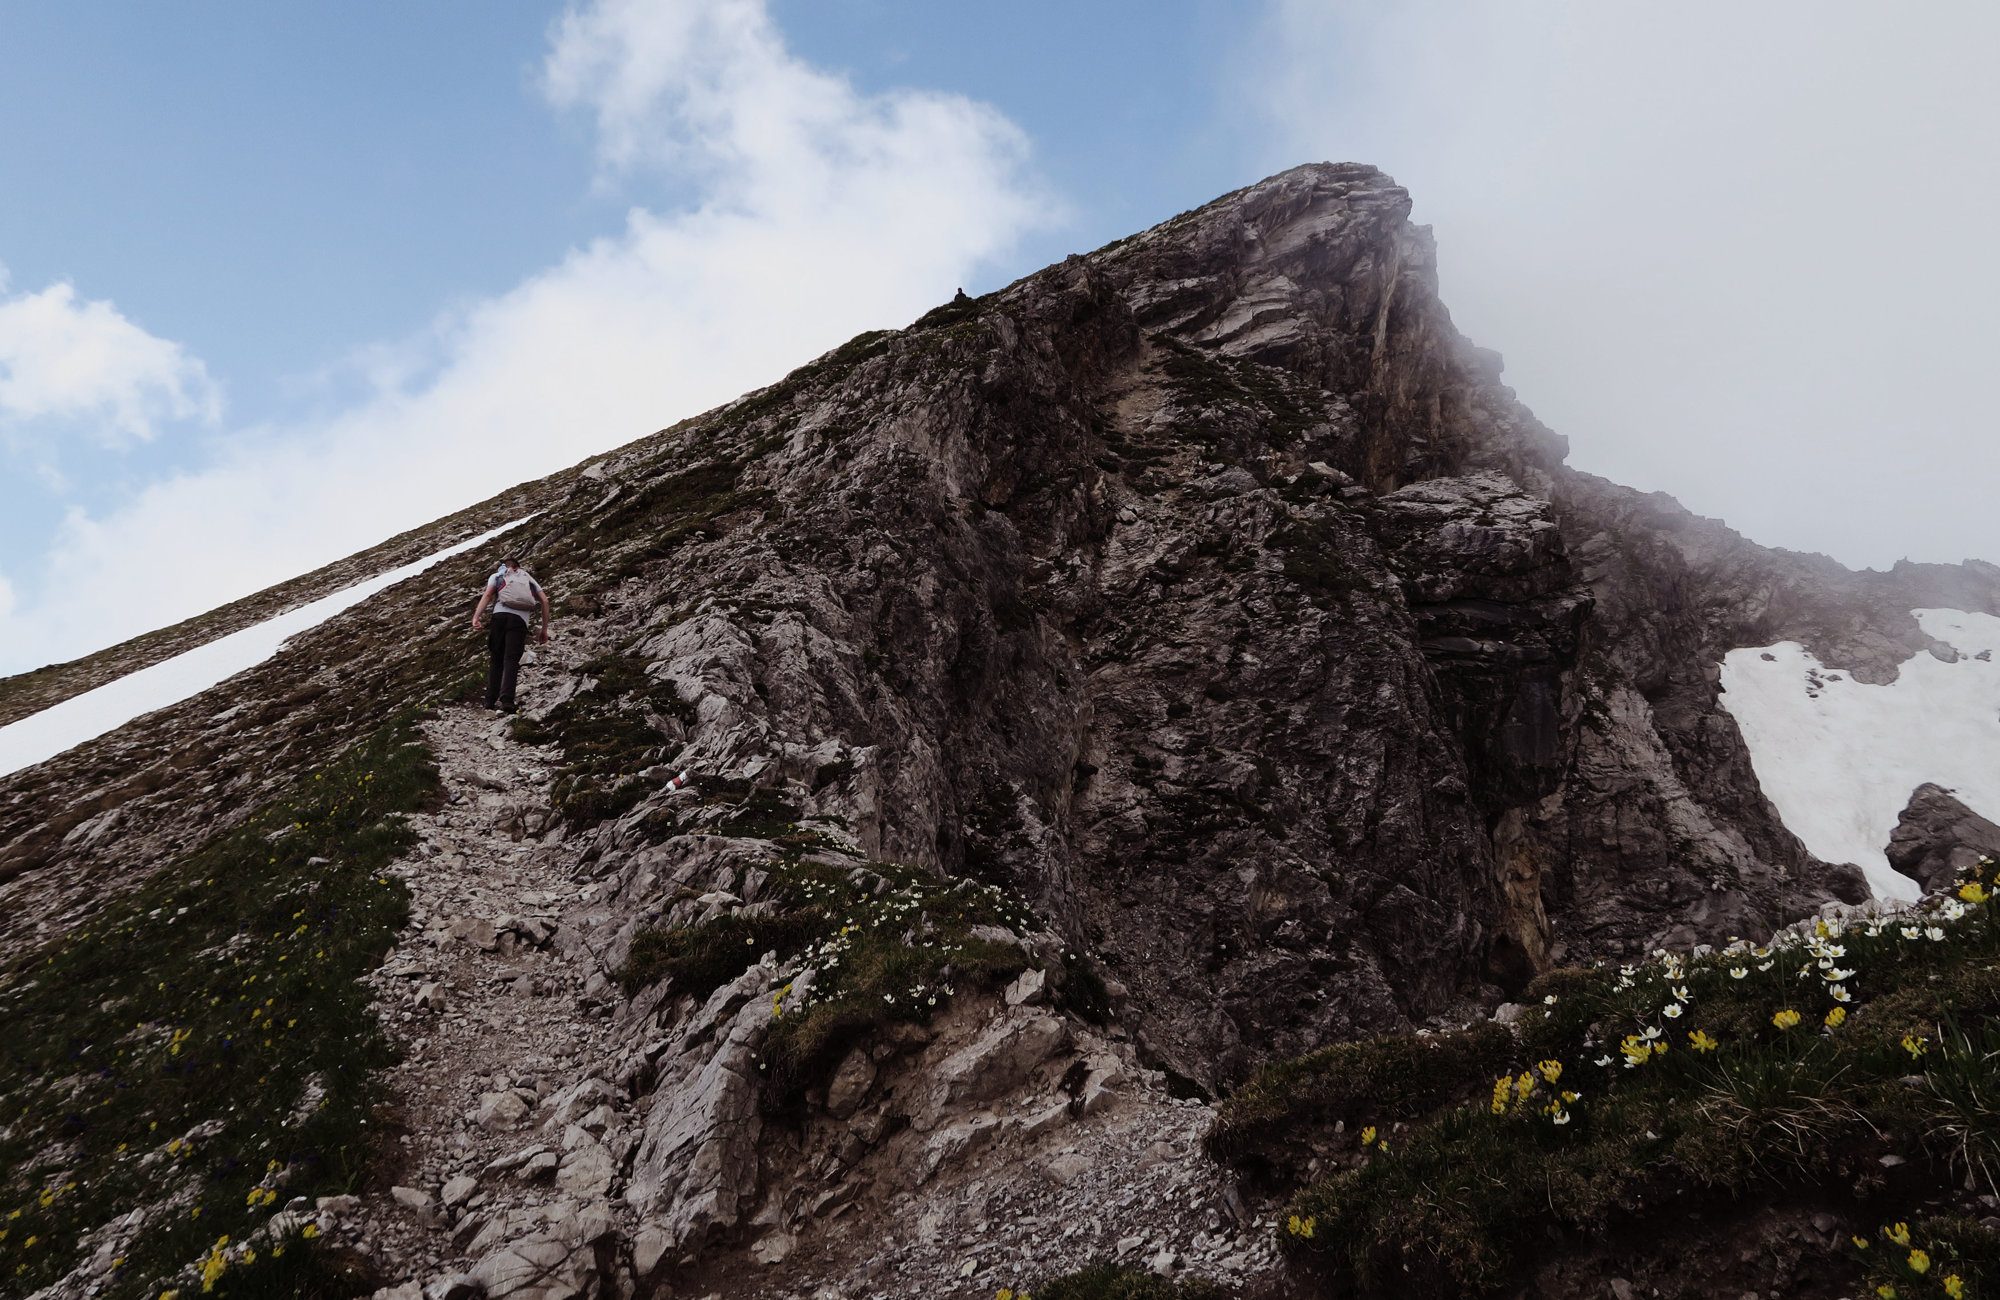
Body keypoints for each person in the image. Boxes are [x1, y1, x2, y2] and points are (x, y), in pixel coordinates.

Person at [471, 556, 551, 713]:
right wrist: (544, 629)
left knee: (496, 659)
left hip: (499, 618)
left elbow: (488, 595)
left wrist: (476, 617)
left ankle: (489, 700)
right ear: (518, 567)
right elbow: (545, 601)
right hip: (519, 622)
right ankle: (507, 700)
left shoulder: (497, 575)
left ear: (504, 566)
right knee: (511, 660)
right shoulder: (527, 577)